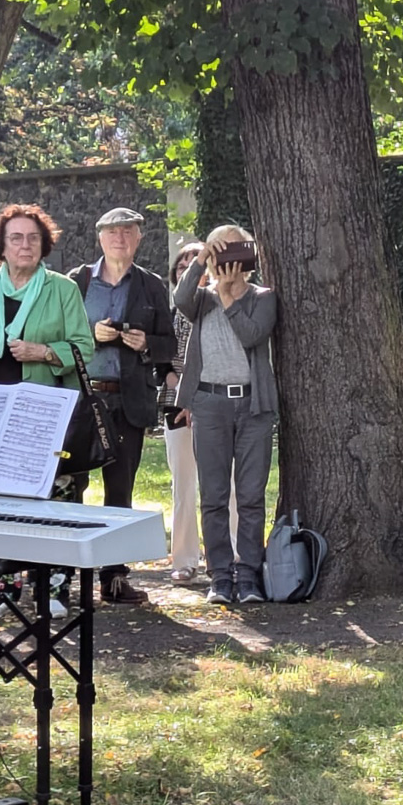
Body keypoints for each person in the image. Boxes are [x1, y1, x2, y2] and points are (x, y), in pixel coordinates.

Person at [0, 204, 95, 619]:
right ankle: (2, 590)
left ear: (44, 244)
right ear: (0, 245)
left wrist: (44, 351)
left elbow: (84, 348)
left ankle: (53, 588)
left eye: (33, 238)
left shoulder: (62, 289)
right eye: (15, 237)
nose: (25, 245)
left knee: (55, 502)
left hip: (46, 416)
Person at [68, 207, 176, 605]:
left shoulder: (149, 286)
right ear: (100, 238)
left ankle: (113, 580)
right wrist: (90, 334)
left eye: (128, 232)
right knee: (72, 488)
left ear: (138, 239)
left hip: (128, 399)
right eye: (113, 232)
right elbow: (58, 334)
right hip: (82, 398)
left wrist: (146, 344)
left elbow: (169, 344)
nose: (120, 238)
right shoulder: (77, 282)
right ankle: (70, 579)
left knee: (120, 493)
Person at [173, 225, 278, 606]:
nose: (228, 260)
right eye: (222, 251)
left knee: (250, 495)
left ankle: (248, 575)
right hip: (208, 404)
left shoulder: (263, 297)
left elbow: (253, 335)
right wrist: (201, 259)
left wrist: (231, 297)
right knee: (213, 496)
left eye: (236, 250)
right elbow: (180, 297)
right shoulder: (201, 299)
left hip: (253, 407)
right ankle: (219, 576)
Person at [159, 242, 205, 585]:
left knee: (228, 485)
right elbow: (160, 360)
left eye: (196, 263)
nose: (188, 270)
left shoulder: (222, 307)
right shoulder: (170, 314)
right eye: (182, 266)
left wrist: (199, 397)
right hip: (175, 405)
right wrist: (181, 390)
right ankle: (185, 559)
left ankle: (231, 556)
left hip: (215, 404)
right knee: (184, 486)